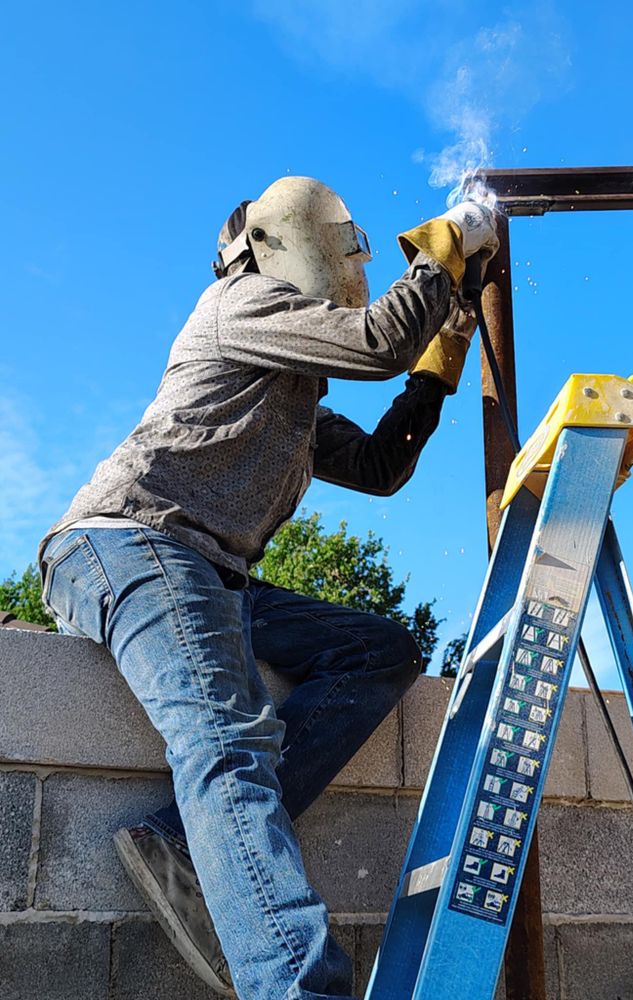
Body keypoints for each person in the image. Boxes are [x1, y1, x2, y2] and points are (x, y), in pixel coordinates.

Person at [38, 177, 499, 1000]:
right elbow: (375, 343)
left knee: (379, 649)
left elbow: (378, 466)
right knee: (227, 739)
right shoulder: (236, 303)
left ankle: (187, 840)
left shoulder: (288, 388)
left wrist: (439, 361)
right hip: (130, 544)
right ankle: (297, 985)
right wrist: (451, 239)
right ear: (270, 249)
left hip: (203, 572)